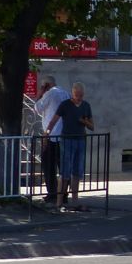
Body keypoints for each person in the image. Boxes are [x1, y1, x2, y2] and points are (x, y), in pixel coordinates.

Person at [46, 81, 93, 211]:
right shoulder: (65, 105)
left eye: (81, 95)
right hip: (67, 140)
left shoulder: (86, 106)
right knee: (64, 171)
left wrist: (84, 121)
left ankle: (75, 201)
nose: (79, 98)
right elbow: (54, 120)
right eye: (77, 95)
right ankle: (59, 202)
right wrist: (47, 132)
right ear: (72, 93)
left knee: (77, 171)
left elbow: (92, 126)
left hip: (80, 140)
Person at [33, 76, 70, 204]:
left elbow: (37, 108)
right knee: (63, 166)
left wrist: (39, 94)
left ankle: (52, 193)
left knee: (49, 166)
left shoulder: (49, 94)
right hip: (64, 135)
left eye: (43, 86)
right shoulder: (65, 93)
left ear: (46, 85)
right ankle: (63, 194)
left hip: (51, 135)